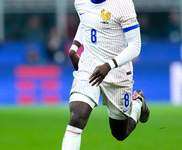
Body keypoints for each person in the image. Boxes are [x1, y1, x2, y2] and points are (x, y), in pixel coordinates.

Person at [62, 0, 150, 149]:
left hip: (118, 71)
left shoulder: (123, 4)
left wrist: (109, 65)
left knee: (120, 133)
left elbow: (135, 45)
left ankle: (138, 103)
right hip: (89, 66)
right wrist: (74, 47)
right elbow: (86, 20)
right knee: (77, 117)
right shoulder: (80, 1)